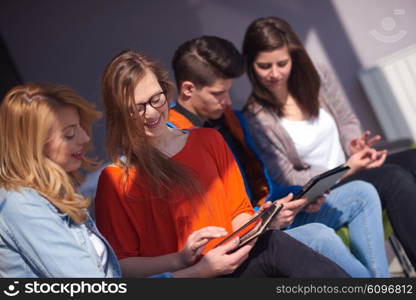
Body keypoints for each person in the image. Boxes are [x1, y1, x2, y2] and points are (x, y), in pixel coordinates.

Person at [94, 49, 352, 278]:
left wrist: (263, 222)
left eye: (156, 99)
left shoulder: (209, 139)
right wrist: (182, 260)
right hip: (193, 276)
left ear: (165, 91)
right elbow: (123, 266)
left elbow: (239, 213)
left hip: (236, 258)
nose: (150, 113)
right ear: (119, 112)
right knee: (290, 243)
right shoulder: (116, 178)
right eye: (136, 108)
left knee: (287, 240)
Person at [168, 36, 390, 277]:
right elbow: (210, 219)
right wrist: (262, 218)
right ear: (188, 89)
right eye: (219, 93)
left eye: (229, 91)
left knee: (361, 192)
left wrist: (300, 195)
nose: (228, 101)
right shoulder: (178, 141)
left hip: (269, 215)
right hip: (243, 233)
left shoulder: (233, 120)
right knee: (320, 236)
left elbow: (262, 187)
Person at [242, 16, 416, 269]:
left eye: (282, 63)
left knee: (412, 158)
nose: (275, 73)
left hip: (352, 164)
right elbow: (287, 176)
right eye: (264, 66)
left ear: (293, 56)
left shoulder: (318, 77)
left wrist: (354, 144)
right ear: (251, 65)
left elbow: (346, 120)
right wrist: (347, 170)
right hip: (327, 188)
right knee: (394, 178)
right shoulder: (256, 117)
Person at [0, 83, 121, 277]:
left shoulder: (53, 193)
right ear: (34, 147)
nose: (84, 137)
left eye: (81, 126)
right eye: (69, 134)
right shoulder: (23, 204)